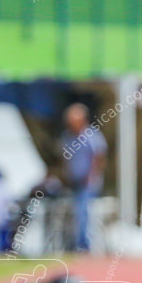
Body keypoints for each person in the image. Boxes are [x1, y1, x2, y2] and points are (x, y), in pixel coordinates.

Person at [60, 103, 107, 252]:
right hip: (73, 181)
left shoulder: (91, 135)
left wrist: (91, 176)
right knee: (73, 212)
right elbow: (65, 158)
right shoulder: (67, 136)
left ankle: (83, 245)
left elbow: (99, 157)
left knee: (83, 211)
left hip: (88, 183)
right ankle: (72, 244)